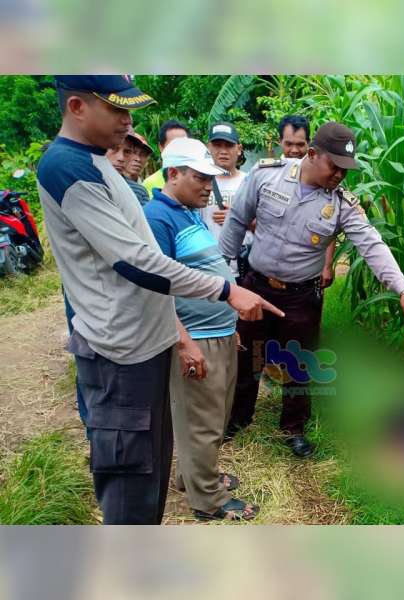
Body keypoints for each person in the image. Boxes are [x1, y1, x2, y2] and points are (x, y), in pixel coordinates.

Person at [37, 75, 283, 525]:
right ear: (76, 107)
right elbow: (137, 263)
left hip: (144, 346)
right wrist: (227, 290)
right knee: (132, 481)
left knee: (152, 468)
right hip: (120, 355)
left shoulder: (97, 166)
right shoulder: (67, 169)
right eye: (117, 110)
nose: (129, 122)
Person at [219, 121, 404, 457]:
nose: (341, 175)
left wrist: (403, 287)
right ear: (312, 154)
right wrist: (223, 281)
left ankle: (293, 429)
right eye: (335, 166)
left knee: (298, 364)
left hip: (301, 296)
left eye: (347, 170)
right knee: (247, 358)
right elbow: (236, 221)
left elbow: (372, 245)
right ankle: (239, 418)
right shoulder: (266, 175)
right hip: (256, 287)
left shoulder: (341, 203)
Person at [144, 137, 259, 521]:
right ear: (172, 174)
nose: (208, 187)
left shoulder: (188, 211)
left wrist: (230, 324)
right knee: (202, 424)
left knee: (212, 417)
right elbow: (154, 290)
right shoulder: (157, 219)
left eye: (210, 179)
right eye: (199, 178)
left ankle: (193, 477)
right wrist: (183, 343)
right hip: (197, 338)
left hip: (219, 333)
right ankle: (207, 501)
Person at [278, 115, 336, 288]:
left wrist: (327, 265)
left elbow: (329, 227)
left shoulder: (323, 178)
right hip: (272, 270)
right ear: (279, 141)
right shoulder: (267, 176)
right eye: (289, 144)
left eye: (300, 144)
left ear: (309, 144)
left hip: (309, 272)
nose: (294, 150)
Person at [199, 121, 249, 243]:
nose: (223, 151)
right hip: (210, 258)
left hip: (243, 258)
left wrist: (237, 219)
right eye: (217, 145)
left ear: (239, 149)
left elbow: (268, 225)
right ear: (208, 148)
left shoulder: (251, 182)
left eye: (229, 145)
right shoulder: (198, 183)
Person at [142, 119, 189, 196]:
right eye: (173, 145)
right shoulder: (149, 184)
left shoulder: (198, 179)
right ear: (161, 147)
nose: (179, 149)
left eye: (183, 144)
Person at [106, 128, 150, 206]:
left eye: (127, 151)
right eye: (114, 149)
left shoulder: (138, 191)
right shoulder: (83, 179)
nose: (121, 158)